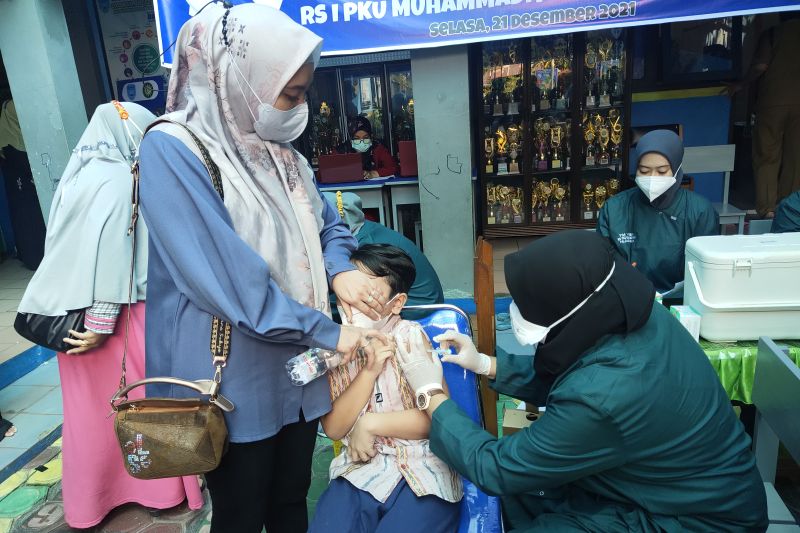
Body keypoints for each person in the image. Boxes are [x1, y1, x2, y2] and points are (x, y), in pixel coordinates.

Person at [137, 4, 386, 531]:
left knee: (291, 500)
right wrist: (332, 333)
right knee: (242, 512)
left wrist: (339, 270)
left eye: (303, 93)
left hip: (298, 362)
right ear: (240, 78)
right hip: (231, 373)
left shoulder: (282, 156)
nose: (299, 108)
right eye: (290, 94)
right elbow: (228, 281)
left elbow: (330, 225)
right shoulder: (174, 149)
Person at [396, 230, 768, 532]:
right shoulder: (628, 310)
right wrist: (486, 364)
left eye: (526, 303)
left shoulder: (603, 393)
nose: (516, 311)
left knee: (519, 495)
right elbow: (575, 375)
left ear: (570, 306)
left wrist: (431, 394)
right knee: (521, 499)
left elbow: (497, 468)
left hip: (696, 519)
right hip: (664, 481)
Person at [17, 102, 204, 528]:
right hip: (116, 318)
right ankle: (159, 490)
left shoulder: (76, 176)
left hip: (73, 317)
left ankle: (92, 500)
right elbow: (111, 250)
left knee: (89, 417)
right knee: (144, 403)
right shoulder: (121, 177)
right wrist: (102, 323)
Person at [310, 244, 461, 533]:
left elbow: (436, 420)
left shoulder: (409, 338)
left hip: (423, 469)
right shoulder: (336, 348)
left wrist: (370, 424)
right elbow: (334, 429)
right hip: (360, 470)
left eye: (366, 291)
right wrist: (368, 372)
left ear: (397, 303)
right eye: (348, 289)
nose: (353, 300)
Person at [597, 129, 718, 295]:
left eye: (661, 171)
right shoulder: (614, 209)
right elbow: (602, 266)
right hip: (628, 298)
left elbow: (708, 272)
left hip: (681, 301)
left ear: (676, 170)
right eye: (644, 171)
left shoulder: (699, 211)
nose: (652, 178)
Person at [725, 13, 800, 218]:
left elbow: (760, 66)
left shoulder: (773, 34)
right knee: (796, 158)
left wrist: (741, 84)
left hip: (772, 104)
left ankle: (767, 209)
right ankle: (790, 208)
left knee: (767, 155)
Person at [322, 191, 444, 306]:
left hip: (417, 305)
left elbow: (356, 290)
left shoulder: (363, 244)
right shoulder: (363, 228)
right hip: (417, 297)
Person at [0, 99, 46, 270]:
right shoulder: (12, 143)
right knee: (30, 220)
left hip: (22, 192)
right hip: (24, 192)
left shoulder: (12, 139)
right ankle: (35, 257)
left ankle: (33, 256)